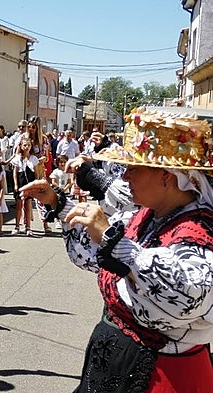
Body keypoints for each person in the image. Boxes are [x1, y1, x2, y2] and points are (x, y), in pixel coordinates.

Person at [20, 109, 213, 392]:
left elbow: (190, 292)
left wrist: (116, 243)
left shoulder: (199, 229)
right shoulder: (146, 215)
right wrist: (58, 204)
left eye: (134, 168)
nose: (125, 175)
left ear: (166, 177)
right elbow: (95, 252)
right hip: (118, 362)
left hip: (161, 376)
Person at [11, 137, 38, 236]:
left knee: (28, 205)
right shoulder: (17, 158)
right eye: (25, 145)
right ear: (21, 146)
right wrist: (16, 184)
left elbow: (36, 173)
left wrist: (36, 184)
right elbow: (15, 173)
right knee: (18, 205)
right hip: (20, 181)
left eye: (29, 145)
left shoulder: (33, 159)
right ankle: (17, 226)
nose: (26, 147)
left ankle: (28, 227)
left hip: (29, 183)